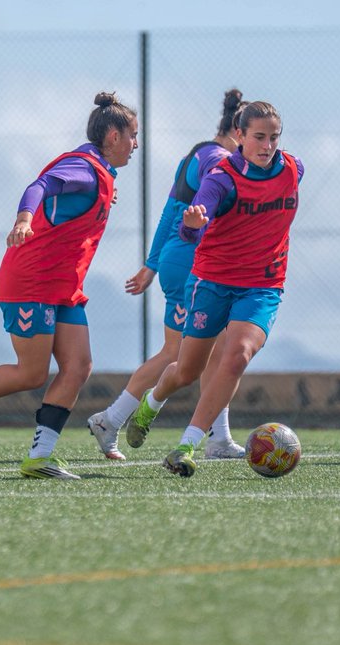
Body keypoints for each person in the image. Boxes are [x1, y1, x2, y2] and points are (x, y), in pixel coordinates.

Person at [0, 92, 137, 480]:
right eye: (132, 135)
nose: (135, 144)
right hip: (31, 281)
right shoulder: (84, 170)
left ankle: (40, 456)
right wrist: (24, 219)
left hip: (63, 286)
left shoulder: (99, 174)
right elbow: (39, 186)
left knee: (78, 366)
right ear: (111, 135)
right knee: (31, 374)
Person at [121, 100, 303, 477]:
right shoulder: (221, 177)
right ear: (239, 136)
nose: (267, 145)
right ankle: (151, 404)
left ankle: (187, 445)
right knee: (186, 370)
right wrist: (191, 223)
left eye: (273, 137)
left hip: (262, 286)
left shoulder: (294, 169)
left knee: (236, 356)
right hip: (213, 282)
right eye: (258, 137)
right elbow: (193, 227)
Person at [86, 88, 248, 462]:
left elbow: (168, 212)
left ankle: (212, 436)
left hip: (182, 260)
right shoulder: (218, 160)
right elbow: (199, 213)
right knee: (194, 352)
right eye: (256, 136)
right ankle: (117, 419)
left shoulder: (198, 152)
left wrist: (153, 264)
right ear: (239, 133)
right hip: (194, 262)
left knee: (194, 352)